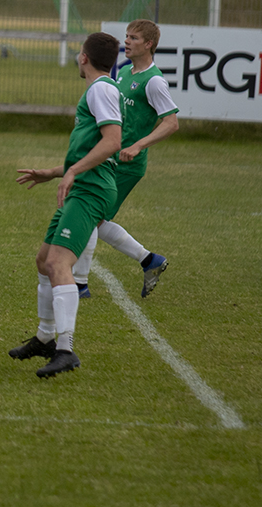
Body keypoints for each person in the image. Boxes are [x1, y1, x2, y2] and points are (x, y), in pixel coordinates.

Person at [11, 32, 122, 378]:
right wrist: (54, 171)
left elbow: (113, 141)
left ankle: (65, 349)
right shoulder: (99, 89)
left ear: (85, 58)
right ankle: (46, 337)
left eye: (79, 52)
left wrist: (73, 170)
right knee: (45, 260)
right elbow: (93, 148)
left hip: (91, 189)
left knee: (59, 263)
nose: (77, 56)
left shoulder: (101, 89)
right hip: (83, 185)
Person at [71, 20, 178, 299]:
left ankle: (79, 284)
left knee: (90, 215)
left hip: (127, 162)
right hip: (114, 157)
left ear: (149, 44)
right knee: (93, 216)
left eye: (134, 38)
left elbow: (171, 123)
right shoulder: (126, 72)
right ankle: (148, 260)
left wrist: (139, 145)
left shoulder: (153, 81)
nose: (127, 42)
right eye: (126, 36)